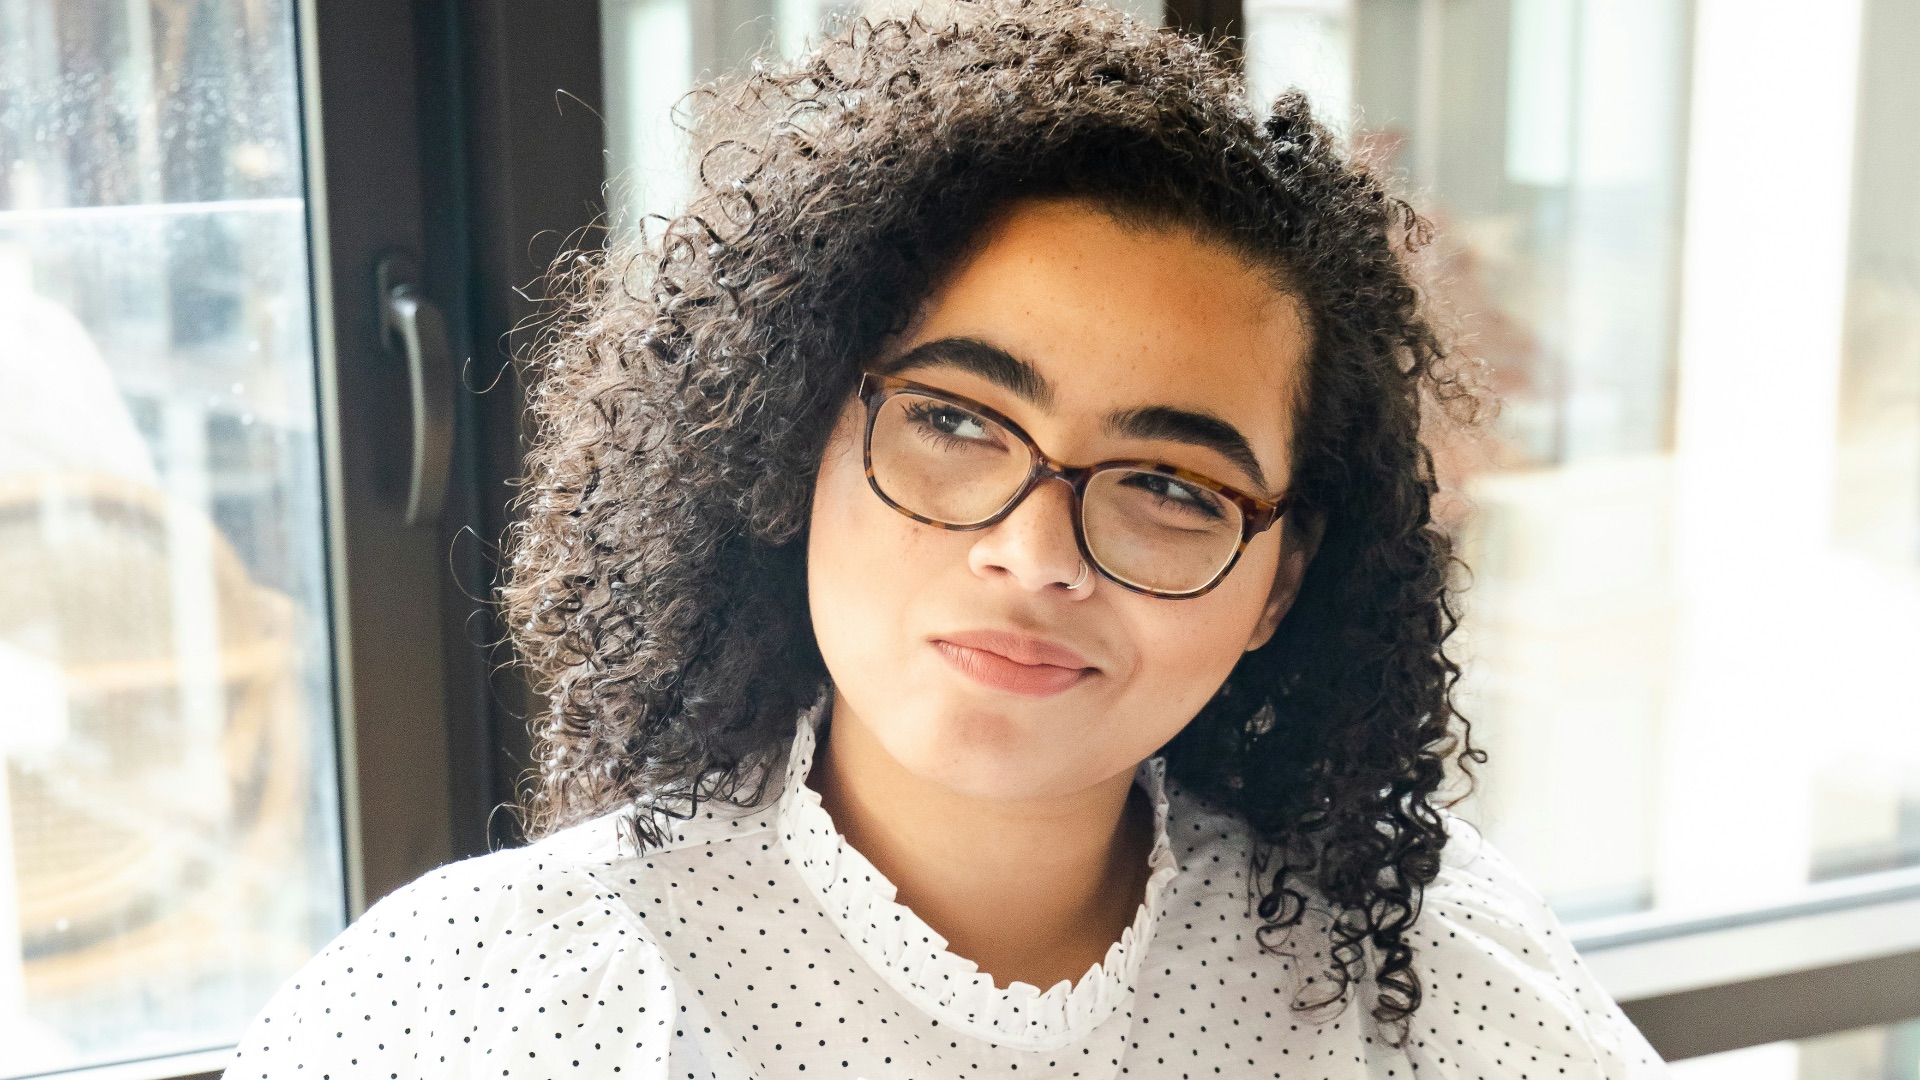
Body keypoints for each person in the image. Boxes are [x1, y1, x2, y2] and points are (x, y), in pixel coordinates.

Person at [230, 1, 1665, 1075]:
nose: (1037, 554)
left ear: (1280, 581)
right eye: (958, 421)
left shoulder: (1421, 971)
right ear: (790, 437)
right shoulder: (475, 1005)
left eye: (1172, 487)